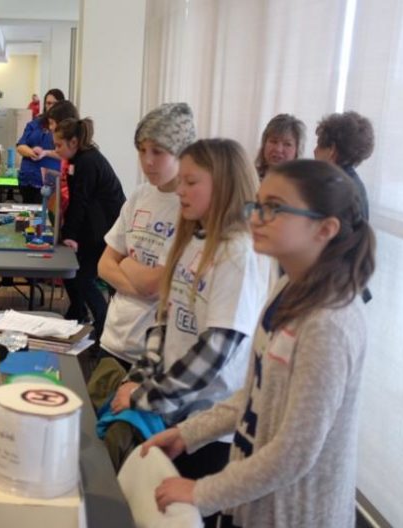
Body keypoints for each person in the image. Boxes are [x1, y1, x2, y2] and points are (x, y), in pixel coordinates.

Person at [144, 159, 375, 528]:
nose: (255, 218)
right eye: (258, 204)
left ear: (325, 229)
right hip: (254, 505)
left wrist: (202, 493)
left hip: (294, 515)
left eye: (275, 209)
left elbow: (295, 453)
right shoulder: (288, 287)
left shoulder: (330, 322)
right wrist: (188, 434)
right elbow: (254, 395)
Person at [112, 139, 270, 527]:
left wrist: (147, 397)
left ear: (225, 185)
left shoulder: (237, 253)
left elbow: (217, 347)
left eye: (191, 181)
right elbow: (163, 322)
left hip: (210, 430)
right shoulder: (190, 240)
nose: (179, 190)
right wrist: (139, 378)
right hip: (174, 417)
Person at [97, 103, 196, 368]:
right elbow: (104, 265)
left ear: (182, 152)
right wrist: (141, 284)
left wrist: (126, 264)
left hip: (155, 352)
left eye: (158, 152)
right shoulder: (140, 195)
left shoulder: (190, 206)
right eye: (142, 151)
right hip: (114, 338)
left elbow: (157, 284)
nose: (147, 161)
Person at [55, 117, 126, 340]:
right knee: (70, 271)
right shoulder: (81, 159)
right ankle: (77, 312)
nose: (55, 150)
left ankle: (102, 324)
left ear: (73, 142)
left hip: (105, 228)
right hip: (97, 224)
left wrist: (71, 235)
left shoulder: (87, 163)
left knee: (82, 278)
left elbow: (80, 201)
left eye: (58, 145)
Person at [314, 111, 374, 220]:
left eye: (319, 144)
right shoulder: (356, 183)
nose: (314, 151)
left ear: (332, 149)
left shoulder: (333, 188)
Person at [16, 88, 65, 203]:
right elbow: (20, 145)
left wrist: (45, 153)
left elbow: (67, 154)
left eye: (55, 103)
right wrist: (32, 152)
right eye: (48, 103)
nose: (51, 106)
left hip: (50, 182)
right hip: (27, 180)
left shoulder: (65, 128)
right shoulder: (35, 123)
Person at [46, 100, 81, 220]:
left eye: (52, 123)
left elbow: (77, 200)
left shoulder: (82, 161)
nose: (50, 128)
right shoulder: (68, 156)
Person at [254, 113, 306, 180]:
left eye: (287, 144)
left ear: (297, 150)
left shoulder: (302, 184)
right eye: (273, 141)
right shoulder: (250, 176)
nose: (278, 149)